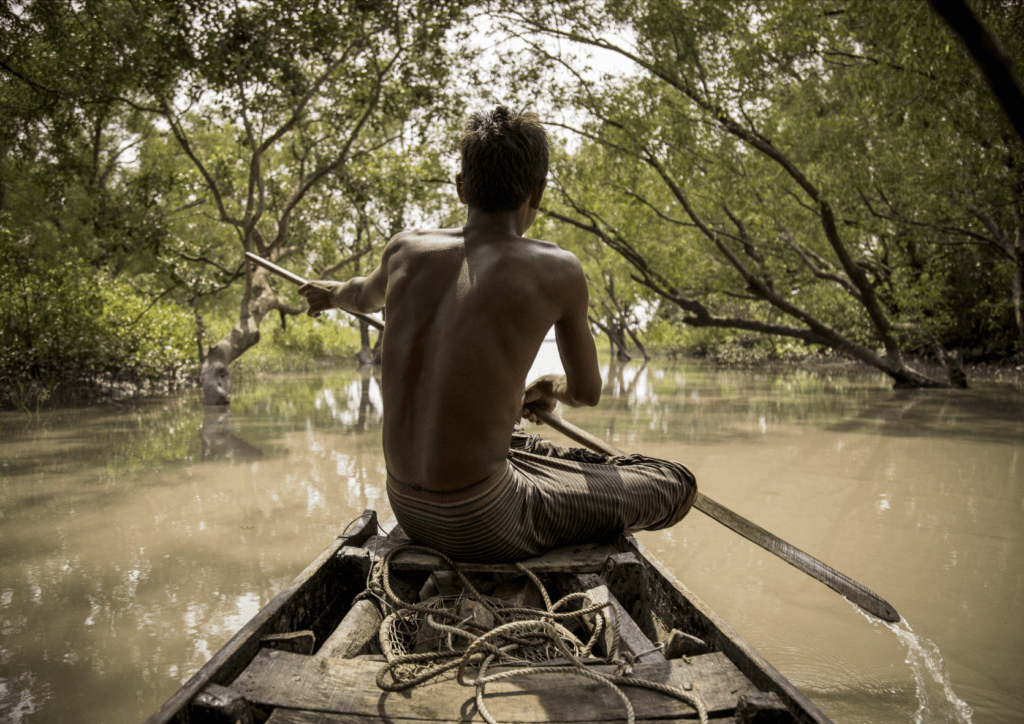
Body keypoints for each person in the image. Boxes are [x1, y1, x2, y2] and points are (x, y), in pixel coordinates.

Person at [299, 106, 696, 562]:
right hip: (486, 519)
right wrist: (549, 387)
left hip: (406, 508)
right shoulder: (558, 269)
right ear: (539, 193)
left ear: (461, 186)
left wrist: (328, 294)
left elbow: (359, 295)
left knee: (518, 441)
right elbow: (586, 393)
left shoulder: (404, 250)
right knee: (671, 480)